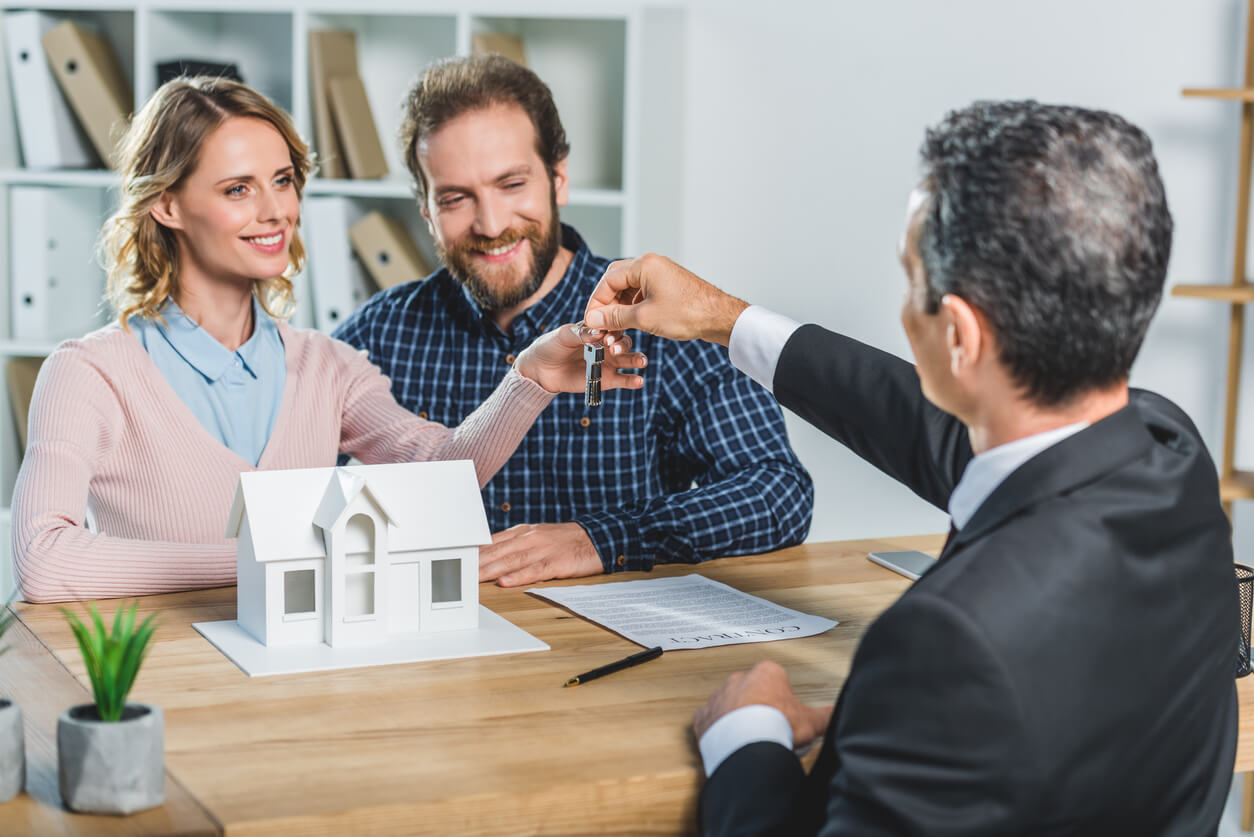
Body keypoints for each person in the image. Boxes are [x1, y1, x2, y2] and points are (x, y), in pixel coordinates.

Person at [585, 101, 1237, 834]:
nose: (903, 308)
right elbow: (923, 428)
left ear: (959, 333)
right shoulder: (1166, 450)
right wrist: (719, 316)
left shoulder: (950, 641)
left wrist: (748, 733)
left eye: (911, 278)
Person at [11, 77, 644, 604]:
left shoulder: (329, 366)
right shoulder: (90, 373)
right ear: (168, 205)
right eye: (238, 189)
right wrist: (271, 558)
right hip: (168, 691)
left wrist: (526, 382)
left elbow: (440, 470)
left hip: (305, 685)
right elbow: (43, 559)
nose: (275, 211)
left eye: (283, 181)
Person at [332, 55, 812, 587]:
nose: (491, 224)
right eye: (455, 198)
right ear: (426, 209)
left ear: (558, 179)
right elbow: (283, 496)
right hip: (433, 651)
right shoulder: (377, 334)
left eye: (511, 184)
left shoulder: (654, 317)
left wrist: (602, 539)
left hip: (608, 653)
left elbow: (777, 492)